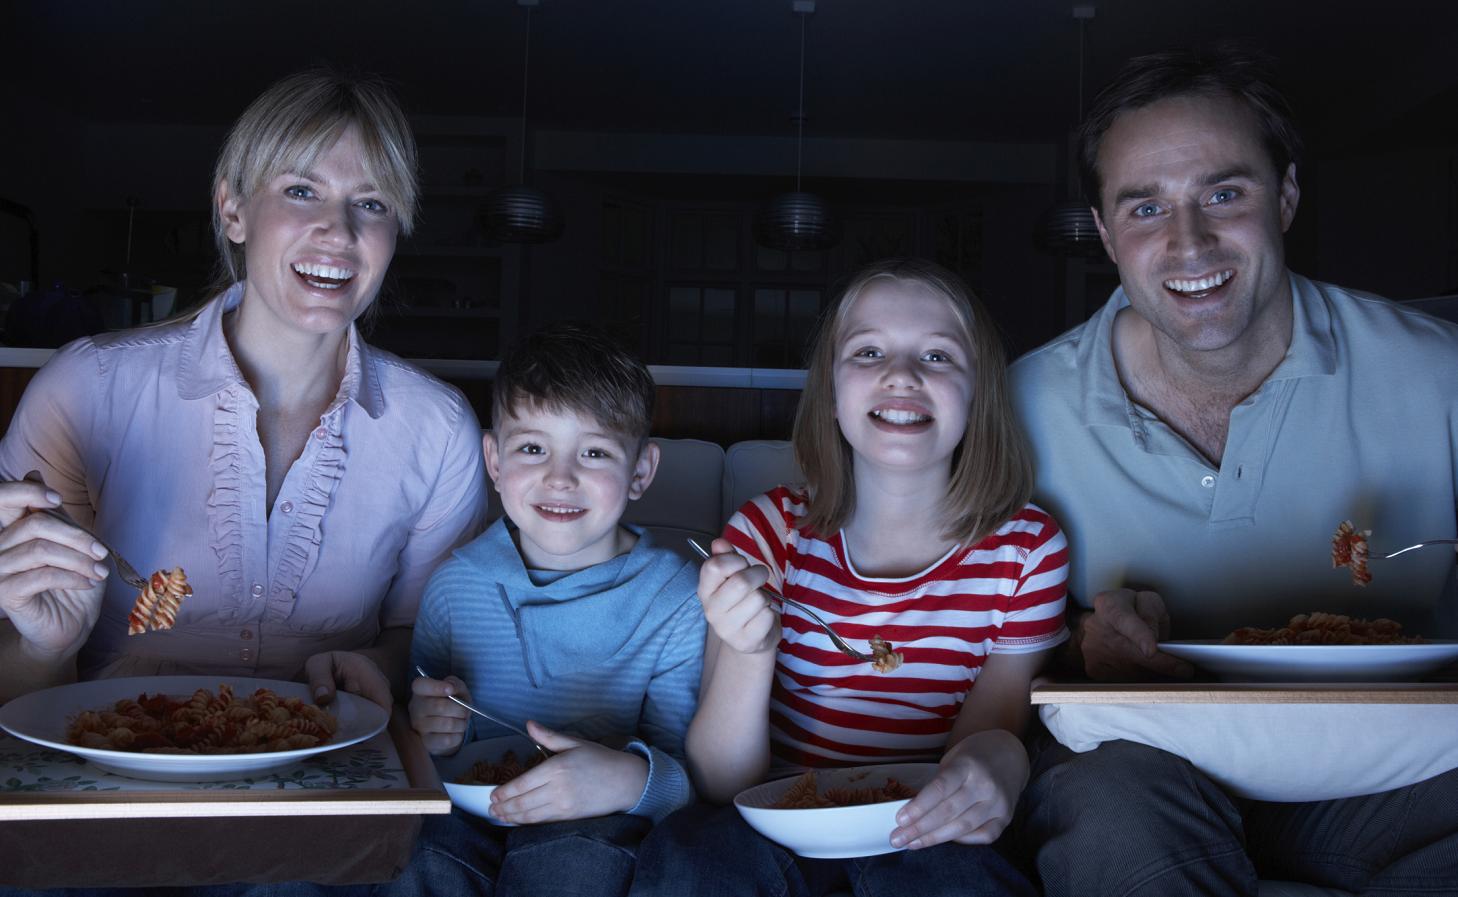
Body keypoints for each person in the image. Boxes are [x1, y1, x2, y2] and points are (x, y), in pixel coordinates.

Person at [1009, 47, 1458, 895]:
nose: (1190, 243)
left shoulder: (1442, 373)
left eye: (1224, 193)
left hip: (1386, 772)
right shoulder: (1017, 405)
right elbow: (959, 629)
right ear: (1105, 233)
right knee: (1109, 819)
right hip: (1142, 768)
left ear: (1285, 196)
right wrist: (1076, 645)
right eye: (1146, 207)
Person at [0, 68, 486, 711]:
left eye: (372, 204)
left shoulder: (441, 429)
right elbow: (13, 694)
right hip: (110, 764)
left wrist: (381, 666)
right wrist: (44, 649)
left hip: (331, 769)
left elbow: (422, 640)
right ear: (232, 209)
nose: (339, 233)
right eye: (303, 190)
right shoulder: (85, 388)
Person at [631, 258, 1068, 897]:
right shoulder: (769, 533)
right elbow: (722, 783)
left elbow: (983, 741)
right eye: (868, 352)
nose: (901, 375)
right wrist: (752, 650)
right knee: (689, 857)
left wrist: (996, 762)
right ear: (832, 392)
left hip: (924, 825)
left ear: (980, 394)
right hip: (772, 822)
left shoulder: (1026, 549)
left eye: (939, 357)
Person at [390, 323, 706, 897]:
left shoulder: (676, 599)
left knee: (574, 862)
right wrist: (428, 730)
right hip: (463, 820)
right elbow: (420, 736)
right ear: (493, 459)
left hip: (596, 831)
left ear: (641, 471)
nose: (560, 478)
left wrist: (629, 779)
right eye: (533, 448)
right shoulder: (454, 586)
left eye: (594, 452)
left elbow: (689, 779)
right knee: (418, 861)